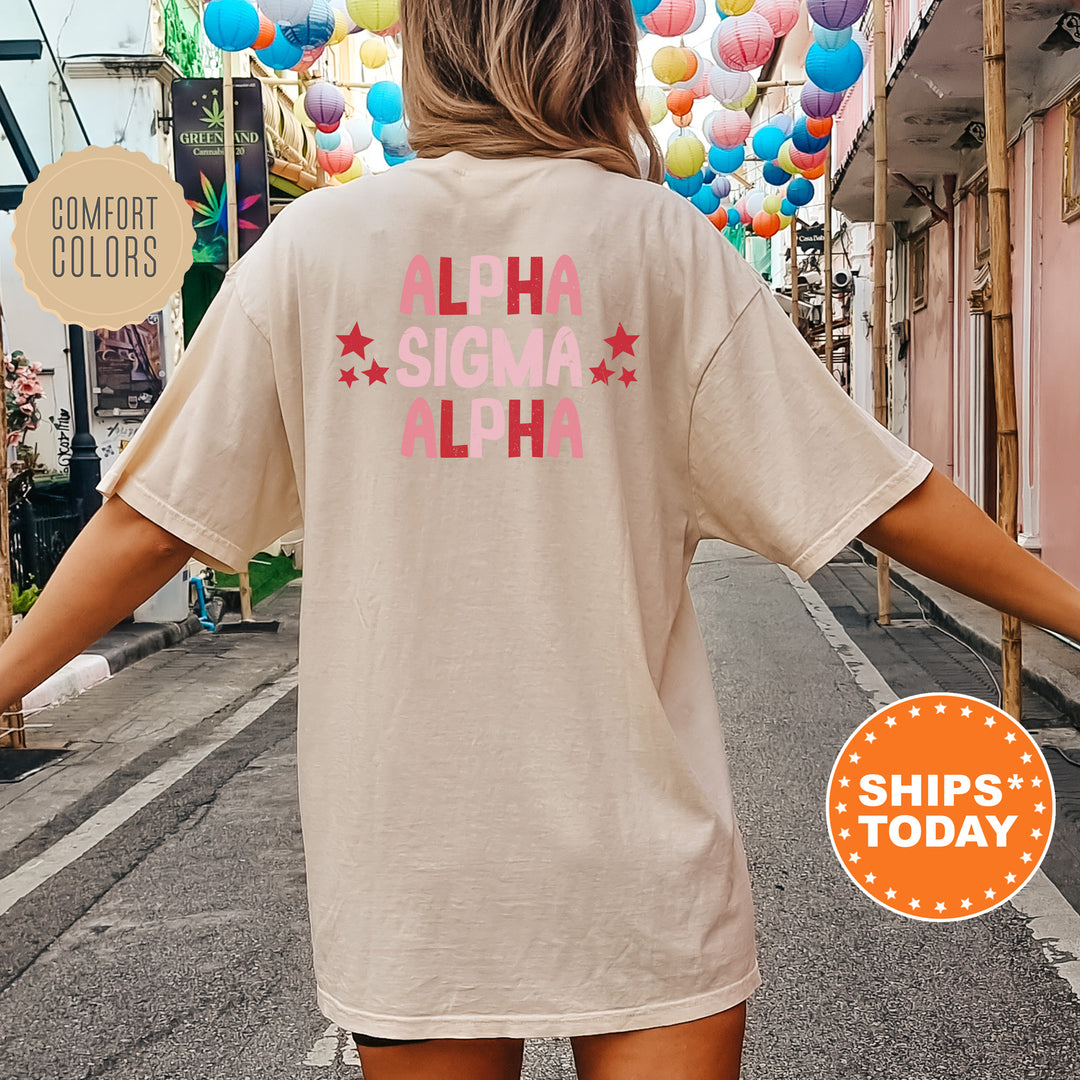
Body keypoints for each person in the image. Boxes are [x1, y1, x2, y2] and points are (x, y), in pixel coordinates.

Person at [3, 2, 1078, 1078]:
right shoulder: (662, 246)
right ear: (597, 47)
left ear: (431, 46)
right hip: (640, 854)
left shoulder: (312, 250)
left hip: (411, 862)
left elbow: (149, 526)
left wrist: (7, 673)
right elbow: (879, 495)